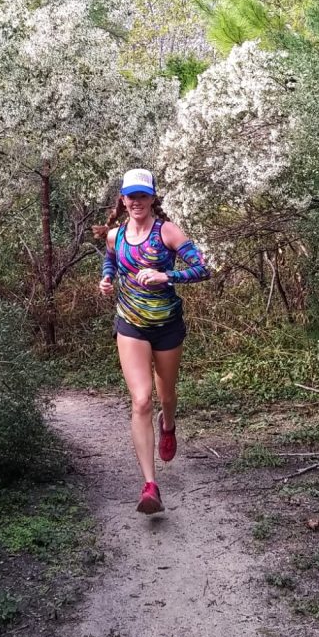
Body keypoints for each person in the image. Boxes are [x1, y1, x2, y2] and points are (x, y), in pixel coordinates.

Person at [96, 168, 211, 514]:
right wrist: (106, 279)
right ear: (123, 199)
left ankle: (169, 424)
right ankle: (150, 485)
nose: (136, 202)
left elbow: (202, 267)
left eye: (142, 196)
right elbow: (112, 260)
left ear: (152, 198)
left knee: (166, 396)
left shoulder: (168, 233)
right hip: (130, 324)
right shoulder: (115, 235)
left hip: (167, 326)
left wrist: (167, 275)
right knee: (142, 400)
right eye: (130, 196)